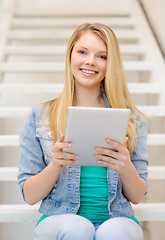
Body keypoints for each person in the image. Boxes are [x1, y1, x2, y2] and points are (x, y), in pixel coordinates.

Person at [17, 23, 148, 240]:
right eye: (82, 52)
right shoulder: (39, 117)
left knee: (116, 232)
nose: (90, 61)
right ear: (70, 56)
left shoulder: (132, 120)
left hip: (117, 218)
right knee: (77, 228)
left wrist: (125, 167)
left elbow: (137, 197)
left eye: (102, 56)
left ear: (110, 64)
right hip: (58, 219)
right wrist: (56, 165)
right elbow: (30, 196)